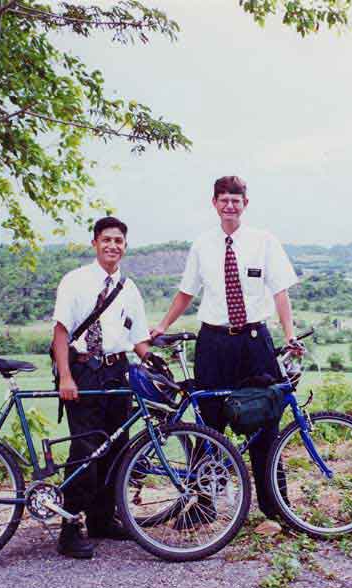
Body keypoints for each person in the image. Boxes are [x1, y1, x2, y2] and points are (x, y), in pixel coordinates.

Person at [150, 175, 301, 521]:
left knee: (266, 424)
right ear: (214, 203)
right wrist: (163, 326)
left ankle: (276, 507)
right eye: (224, 199)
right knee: (208, 424)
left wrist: (289, 334)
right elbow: (187, 292)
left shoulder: (264, 241)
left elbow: (280, 292)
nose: (230, 205)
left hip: (254, 343)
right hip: (214, 342)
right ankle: (202, 506)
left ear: (245, 204)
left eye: (236, 199)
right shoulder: (202, 244)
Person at [51, 216, 151, 559]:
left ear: (125, 246)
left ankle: (102, 518)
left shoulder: (129, 287)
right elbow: (61, 333)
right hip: (83, 372)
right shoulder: (75, 281)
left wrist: (155, 363)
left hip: (117, 373)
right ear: (95, 243)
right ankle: (69, 526)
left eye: (118, 241)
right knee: (85, 451)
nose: (112, 246)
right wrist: (66, 377)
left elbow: (138, 339)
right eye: (106, 240)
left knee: (116, 447)